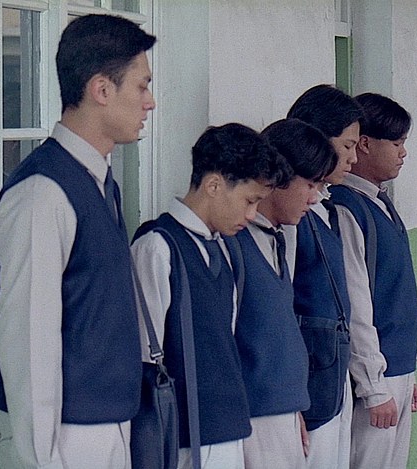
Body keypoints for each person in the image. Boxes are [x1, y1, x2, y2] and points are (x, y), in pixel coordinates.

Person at [0, 14, 156, 468]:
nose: (150, 102)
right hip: (66, 437)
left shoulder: (99, 182)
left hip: (106, 426)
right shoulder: (43, 192)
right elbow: (28, 341)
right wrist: (41, 458)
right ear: (101, 90)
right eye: (142, 86)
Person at [131, 123, 292, 468]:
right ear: (214, 185)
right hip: (182, 436)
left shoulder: (226, 249)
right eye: (249, 201)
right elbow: (144, 358)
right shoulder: (157, 247)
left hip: (227, 427)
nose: (251, 215)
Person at [234, 118, 336, 469]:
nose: (315, 197)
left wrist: (295, 409)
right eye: (310, 184)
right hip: (253, 417)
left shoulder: (279, 238)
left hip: (286, 410)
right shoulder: (234, 244)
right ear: (279, 177)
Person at [329, 92, 417, 469]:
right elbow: (356, 305)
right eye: (396, 143)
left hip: (395, 370)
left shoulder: (381, 203)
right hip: (373, 379)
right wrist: (373, 386)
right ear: (365, 144)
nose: (403, 153)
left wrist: (408, 373)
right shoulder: (347, 208)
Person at [286, 84, 363, 469]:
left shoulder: (328, 212)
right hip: (308, 383)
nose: (353, 157)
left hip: (333, 375)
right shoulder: (290, 219)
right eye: (347, 145)